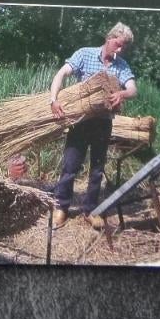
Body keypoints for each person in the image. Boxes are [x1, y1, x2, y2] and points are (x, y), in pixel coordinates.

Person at [48, 22, 138, 229]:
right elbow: (61, 74)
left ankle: (90, 210)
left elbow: (133, 89)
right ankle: (61, 207)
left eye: (124, 47)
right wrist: (54, 100)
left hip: (103, 124)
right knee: (70, 165)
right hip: (80, 122)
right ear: (110, 38)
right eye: (118, 44)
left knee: (97, 169)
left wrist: (122, 93)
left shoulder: (121, 65)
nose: (121, 49)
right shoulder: (85, 54)